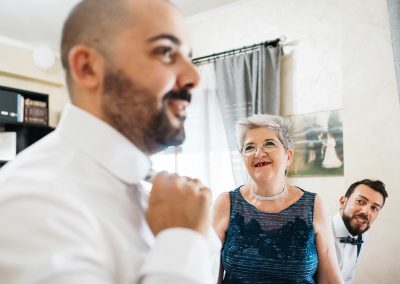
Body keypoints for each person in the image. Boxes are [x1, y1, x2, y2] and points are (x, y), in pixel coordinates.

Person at [0, 0, 221, 283]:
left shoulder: (159, 196)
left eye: (189, 57)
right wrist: (181, 241)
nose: (194, 77)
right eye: (166, 52)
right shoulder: (30, 203)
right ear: (88, 68)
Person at [213, 114, 343, 284]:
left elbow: (330, 279)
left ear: (288, 156)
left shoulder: (313, 205)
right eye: (249, 147)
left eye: (269, 143)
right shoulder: (226, 203)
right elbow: (208, 275)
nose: (259, 153)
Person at [331, 179, 388, 283]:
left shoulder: (362, 236)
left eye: (374, 208)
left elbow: (348, 278)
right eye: (360, 201)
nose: (366, 211)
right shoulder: (317, 231)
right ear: (343, 202)